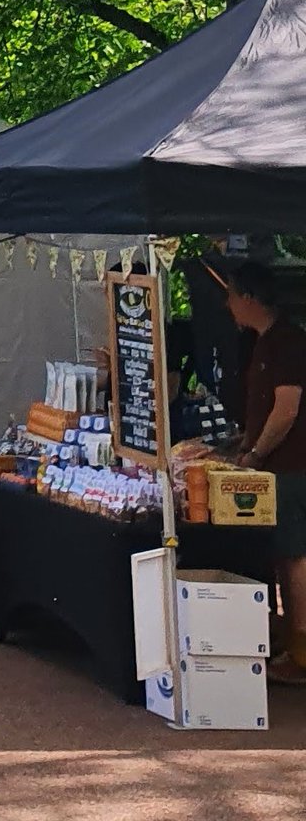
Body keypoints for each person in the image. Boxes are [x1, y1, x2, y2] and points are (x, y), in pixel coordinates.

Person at [228, 262, 306, 685]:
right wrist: (244, 447)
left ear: (250, 298)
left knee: (295, 555)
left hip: (293, 467)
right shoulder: (266, 342)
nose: (228, 306)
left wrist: (256, 453)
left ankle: (302, 649)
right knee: (284, 553)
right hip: (277, 468)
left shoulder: (286, 343)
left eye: (232, 296)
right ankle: (290, 639)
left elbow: (287, 408)